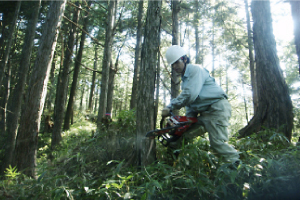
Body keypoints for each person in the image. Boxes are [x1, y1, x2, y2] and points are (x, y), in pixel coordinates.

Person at [162, 45, 240, 164]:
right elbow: (190, 104)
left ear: (184, 59)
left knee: (218, 144)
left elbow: (190, 95)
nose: (174, 67)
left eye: (176, 62)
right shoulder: (185, 81)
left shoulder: (195, 70)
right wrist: (186, 121)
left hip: (217, 109)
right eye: (172, 64)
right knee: (182, 137)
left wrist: (170, 106)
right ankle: (176, 165)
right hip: (204, 115)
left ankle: (238, 167)